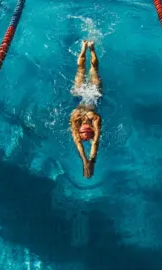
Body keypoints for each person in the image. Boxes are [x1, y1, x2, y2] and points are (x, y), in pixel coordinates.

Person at [69, 40, 102, 178]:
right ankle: (91, 49)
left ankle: (85, 48)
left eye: (85, 131)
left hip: (82, 94)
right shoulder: (93, 118)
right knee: (90, 69)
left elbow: (85, 142)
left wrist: (85, 160)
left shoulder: (76, 119)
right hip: (91, 94)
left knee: (82, 69)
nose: (87, 127)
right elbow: (94, 141)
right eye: (90, 130)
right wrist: (90, 161)